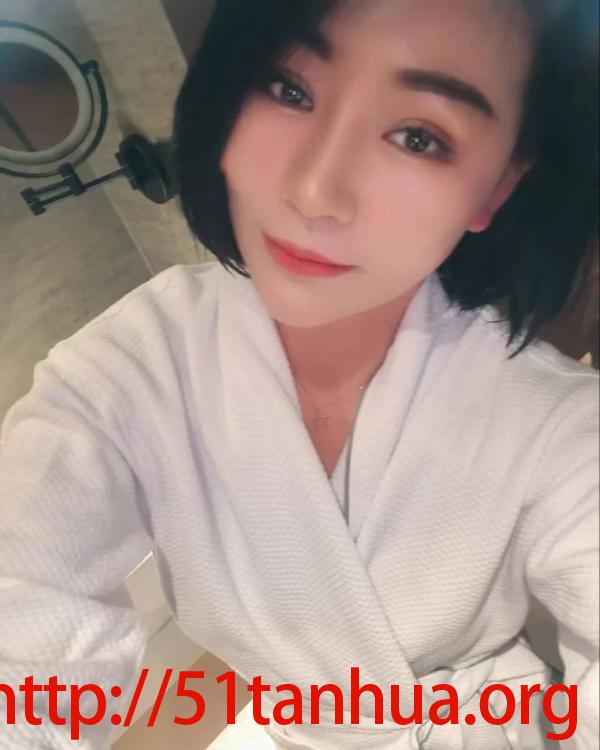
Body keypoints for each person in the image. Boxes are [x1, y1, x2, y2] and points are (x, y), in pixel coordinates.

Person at [1, 1, 598, 748]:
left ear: (496, 189)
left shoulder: (559, 427)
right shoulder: (125, 375)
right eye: (288, 89)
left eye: (418, 137)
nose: (314, 190)